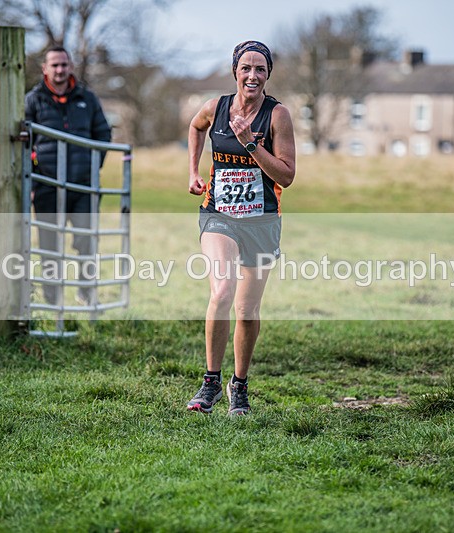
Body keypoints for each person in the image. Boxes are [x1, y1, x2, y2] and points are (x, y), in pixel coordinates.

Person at [186, 41, 296, 415]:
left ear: (268, 75)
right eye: (246, 68)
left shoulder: (277, 116)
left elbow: (287, 175)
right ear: (235, 70)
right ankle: (210, 383)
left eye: (260, 69)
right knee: (223, 290)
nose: (252, 75)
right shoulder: (215, 108)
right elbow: (195, 127)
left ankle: (240, 386)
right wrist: (193, 172)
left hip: (262, 221)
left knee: (247, 310)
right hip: (218, 215)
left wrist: (251, 143)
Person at [25, 46, 112, 306]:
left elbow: (103, 134)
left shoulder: (87, 98)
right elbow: (24, 142)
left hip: (82, 185)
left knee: (86, 241)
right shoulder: (33, 99)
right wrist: (32, 174)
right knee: (49, 243)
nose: (60, 70)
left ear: (70, 66)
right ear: (45, 69)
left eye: (64, 64)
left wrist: (92, 168)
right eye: (54, 65)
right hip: (47, 184)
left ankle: (86, 293)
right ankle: (52, 299)